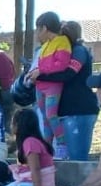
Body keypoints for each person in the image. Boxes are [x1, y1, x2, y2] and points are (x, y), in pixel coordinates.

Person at [39, 21, 98, 162]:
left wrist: (40, 75)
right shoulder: (62, 51)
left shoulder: (78, 51)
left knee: (77, 158)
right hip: (67, 112)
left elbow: (68, 74)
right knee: (68, 158)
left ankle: (82, 184)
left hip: (80, 110)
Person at [29, 12, 78, 155]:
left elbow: (61, 65)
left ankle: (62, 145)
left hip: (52, 86)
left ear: (44, 28)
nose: (37, 34)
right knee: (44, 118)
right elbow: (41, 65)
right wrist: (34, 72)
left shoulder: (62, 42)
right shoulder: (45, 46)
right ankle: (47, 147)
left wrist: (41, 71)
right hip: (40, 86)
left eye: (38, 30)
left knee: (51, 115)